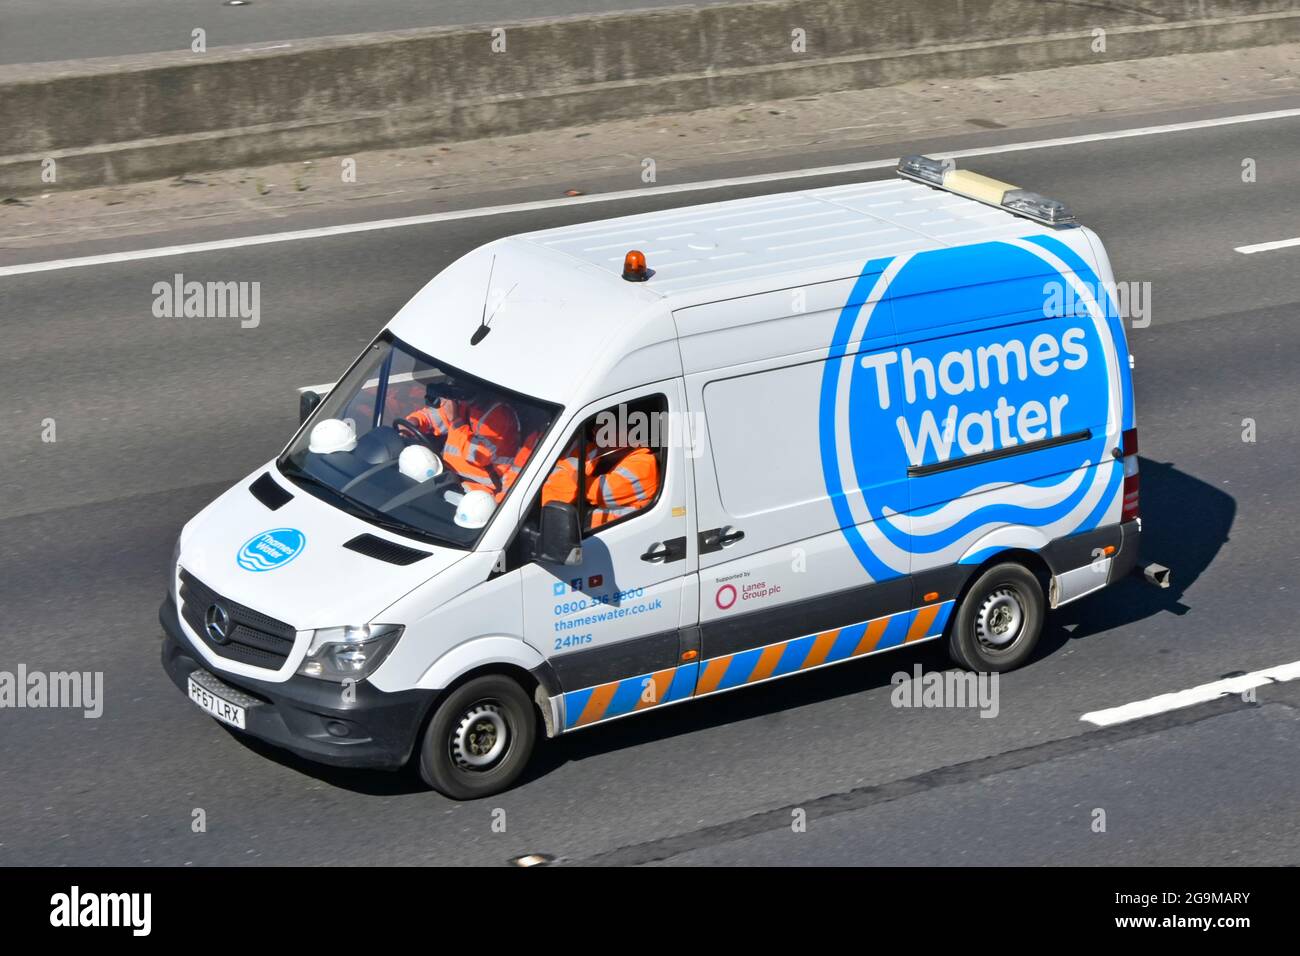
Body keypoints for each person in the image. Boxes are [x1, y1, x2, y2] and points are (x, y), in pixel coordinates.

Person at [408, 393, 521, 496]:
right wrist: (415, 421)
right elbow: (434, 416)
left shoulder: (500, 416)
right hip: (449, 474)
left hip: (479, 488)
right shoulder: (464, 402)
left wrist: (456, 420)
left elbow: (478, 455)